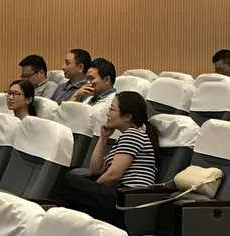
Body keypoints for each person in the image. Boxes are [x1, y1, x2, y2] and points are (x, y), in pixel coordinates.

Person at [57, 91, 157, 227]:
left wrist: (92, 189)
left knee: (63, 178)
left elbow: (114, 174)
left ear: (127, 116)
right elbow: (95, 170)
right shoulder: (126, 137)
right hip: (118, 195)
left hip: (126, 198)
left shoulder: (133, 135)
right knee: (66, 192)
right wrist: (103, 138)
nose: (108, 114)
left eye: (112, 109)